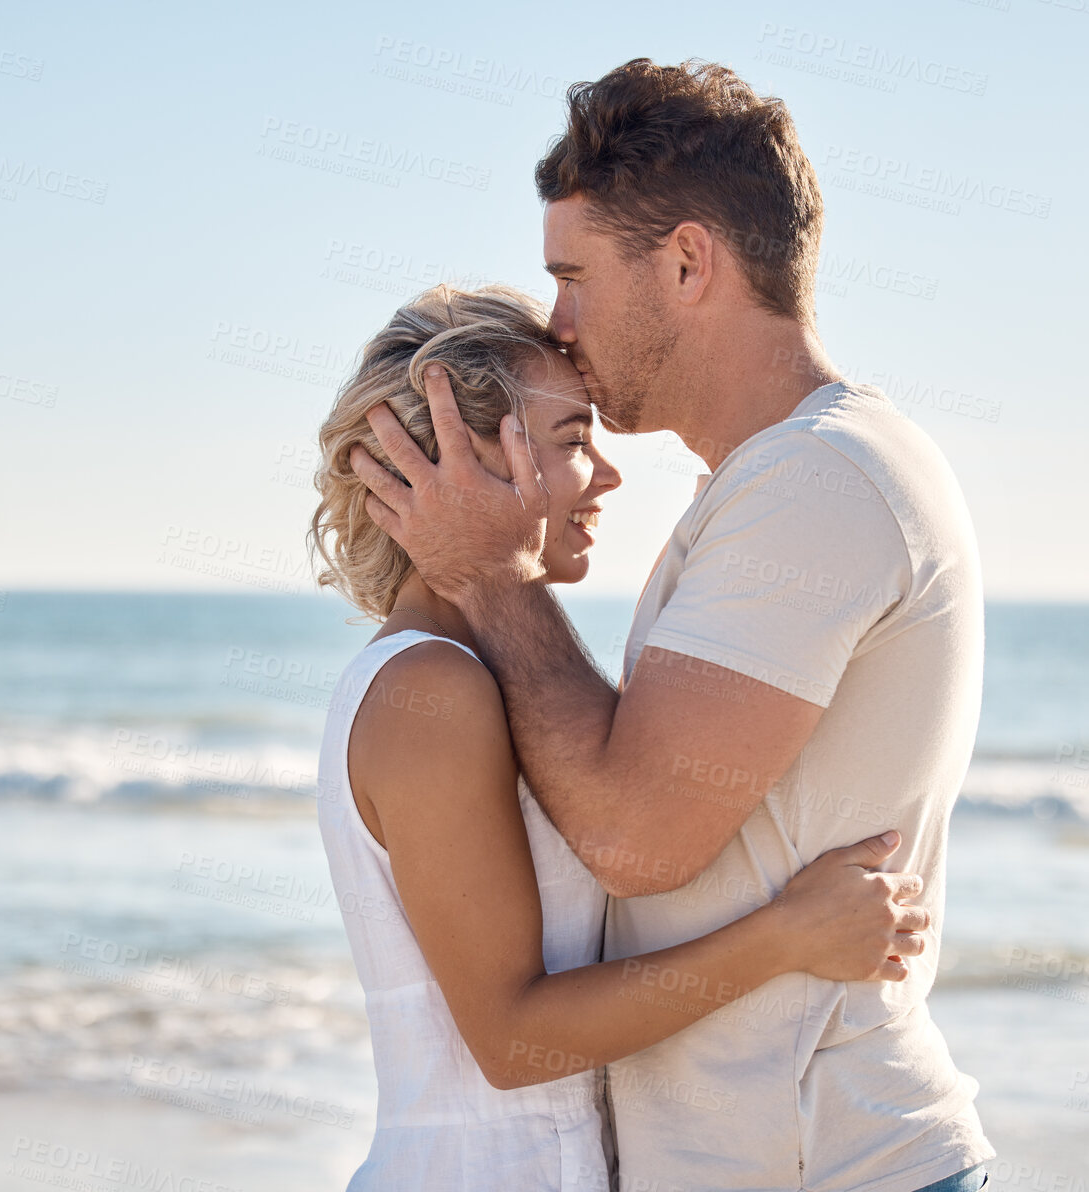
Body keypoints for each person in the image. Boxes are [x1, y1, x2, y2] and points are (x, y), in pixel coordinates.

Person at [350, 61, 993, 1192]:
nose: (560, 320)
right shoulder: (770, 482)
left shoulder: (818, 478)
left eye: (575, 276)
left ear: (689, 262)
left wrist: (493, 578)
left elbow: (638, 837)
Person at [311, 283, 929, 1192]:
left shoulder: (482, 674)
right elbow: (514, 1039)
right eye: (569, 443)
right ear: (455, 465)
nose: (605, 475)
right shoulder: (431, 689)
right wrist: (788, 936)